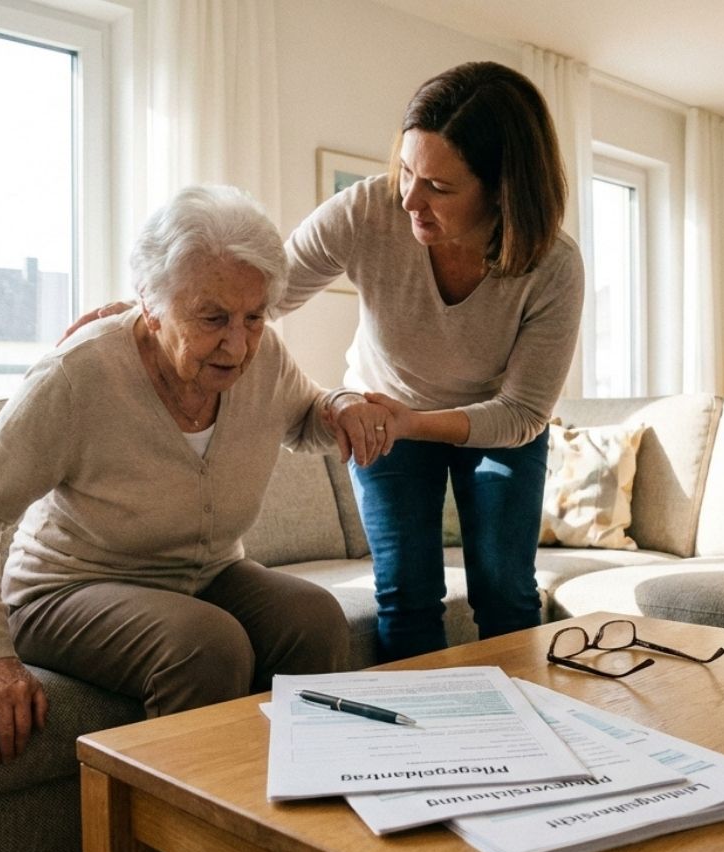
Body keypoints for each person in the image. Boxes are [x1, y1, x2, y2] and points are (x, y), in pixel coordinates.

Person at [68, 62, 583, 663]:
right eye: (408, 171)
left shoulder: (554, 266)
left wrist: (411, 420)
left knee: (506, 595)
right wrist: (150, 309)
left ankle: (525, 739)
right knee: (407, 596)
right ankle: (422, 747)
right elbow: (261, 293)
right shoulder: (367, 209)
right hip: (384, 418)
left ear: (503, 191)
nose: (410, 198)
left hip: (493, 428)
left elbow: (521, 412)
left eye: (439, 188)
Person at [0, 185, 359, 764]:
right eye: (212, 318)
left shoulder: (265, 360)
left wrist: (341, 407)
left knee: (315, 619)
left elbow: (305, 416)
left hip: (205, 574)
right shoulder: (79, 375)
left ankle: (304, 803)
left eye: (254, 317)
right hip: (65, 588)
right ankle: (188, 847)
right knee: (208, 647)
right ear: (151, 303)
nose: (237, 346)